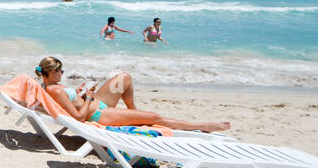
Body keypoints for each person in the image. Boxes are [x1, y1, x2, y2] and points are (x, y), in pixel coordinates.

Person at [34, 56, 227, 132]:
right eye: (61, 71)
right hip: (99, 114)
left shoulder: (50, 87)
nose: (62, 74)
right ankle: (202, 126)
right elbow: (78, 117)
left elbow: (70, 103)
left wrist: (79, 93)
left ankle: (133, 113)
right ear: (51, 72)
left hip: (97, 102)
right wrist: (89, 98)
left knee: (123, 78)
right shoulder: (55, 89)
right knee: (154, 117)